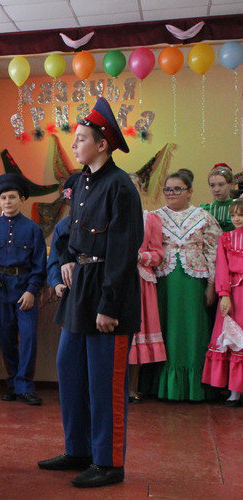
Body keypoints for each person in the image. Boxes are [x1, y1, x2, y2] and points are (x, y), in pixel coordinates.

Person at [37, 98, 143, 488]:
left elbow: (122, 248)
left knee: (105, 381)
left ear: (102, 144)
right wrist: (64, 258)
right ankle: (78, 449)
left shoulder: (121, 187)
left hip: (107, 292)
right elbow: (68, 234)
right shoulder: (80, 183)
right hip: (79, 289)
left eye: (82, 139)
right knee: (70, 371)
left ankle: (109, 461)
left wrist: (109, 305)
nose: (76, 144)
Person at [148, 171, 221, 402]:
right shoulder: (154, 217)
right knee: (165, 330)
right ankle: (163, 385)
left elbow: (214, 252)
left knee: (192, 331)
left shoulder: (204, 217)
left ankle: (194, 386)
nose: (171, 193)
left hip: (193, 283)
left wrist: (211, 285)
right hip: (163, 283)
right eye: (168, 189)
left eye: (177, 189)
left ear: (190, 191)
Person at [0, 173, 47, 405]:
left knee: (28, 337)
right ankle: (12, 383)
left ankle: (25, 386)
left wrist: (31, 291)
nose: (7, 201)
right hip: (1, 291)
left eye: (12, 197)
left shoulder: (32, 229)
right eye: (3, 198)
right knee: (7, 338)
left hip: (24, 289)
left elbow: (40, 265)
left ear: (22, 199)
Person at [126, 174, 166, 403]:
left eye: (134, 187)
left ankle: (132, 388)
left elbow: (158, 254)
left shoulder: (149, 219)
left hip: (141, 282)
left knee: (137, 334)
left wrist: (140, 256)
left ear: (141, 190)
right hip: (116, 281)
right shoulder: (112, 216)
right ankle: (113, 388)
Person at [202, 198, 243, 407]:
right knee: (233, 338)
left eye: (241, 215)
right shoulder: (226, 239)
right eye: (234, 215)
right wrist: (224, 294)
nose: (236, 219)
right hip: (235, 295)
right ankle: (234, 391)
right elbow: (222, 269)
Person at [47, 174, 80, 298]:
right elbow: (54, 260)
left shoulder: (103, 222)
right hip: (70, 289)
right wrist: (56, 283)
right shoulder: (62, 226)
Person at [201, 163, 235, 232]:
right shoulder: (205, 210)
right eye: (212, 185)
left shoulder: (239, 206)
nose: (216, 189)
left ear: (231, 185)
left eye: (221, 184)